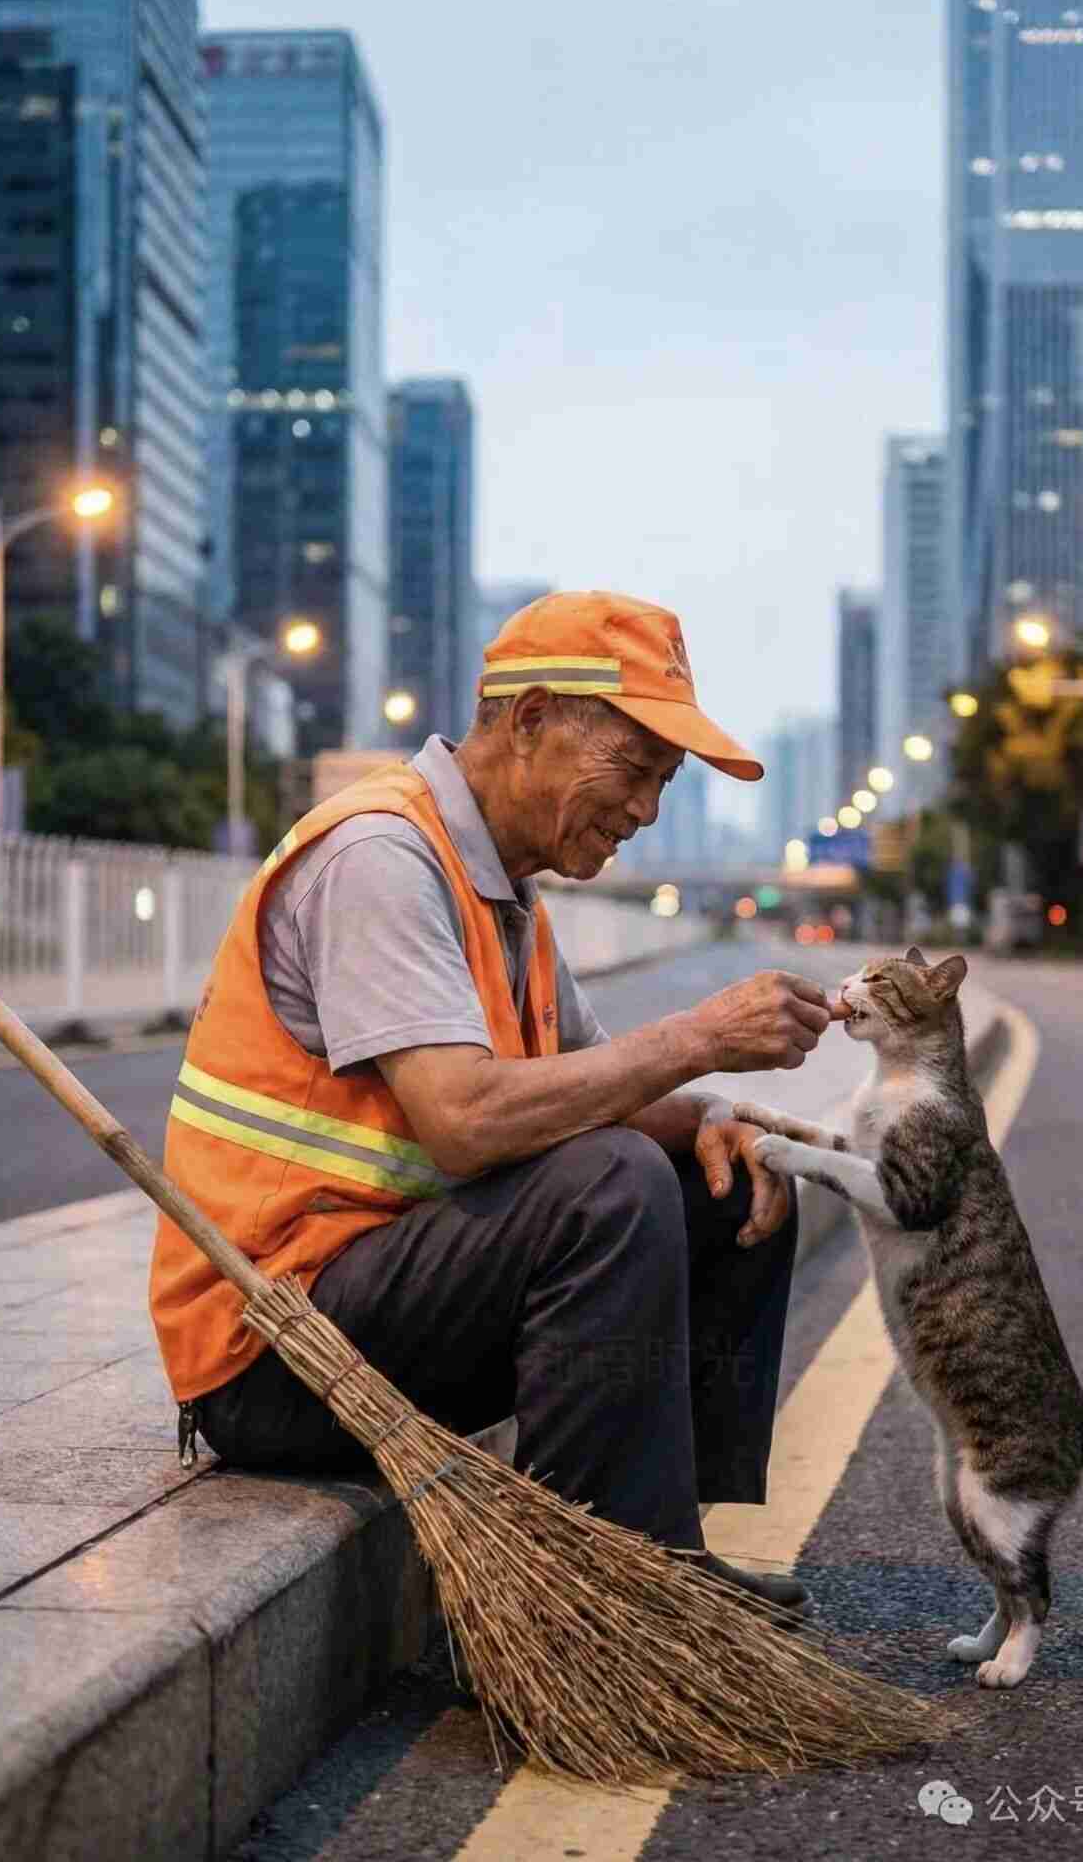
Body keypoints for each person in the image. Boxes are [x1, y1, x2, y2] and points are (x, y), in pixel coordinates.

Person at [149, 591, 840, 1624]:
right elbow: (463, 1120)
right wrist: (697, 1033)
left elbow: (603, 1084)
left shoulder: (505, 897)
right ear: (529, 719)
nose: (646, 810)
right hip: (278, 1347)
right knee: (605, 1182)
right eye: (637, 770)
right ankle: (585, 1587)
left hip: (384, 1302)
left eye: (666, 783)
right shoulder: (379, 856)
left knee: (720, 1169)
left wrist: (711, 1109)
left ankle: (660, 1550)